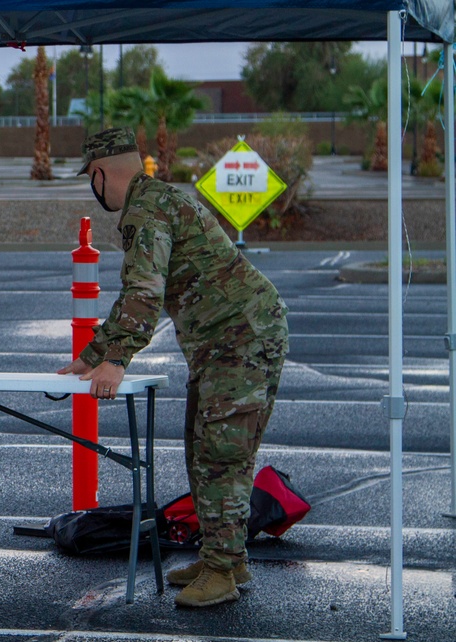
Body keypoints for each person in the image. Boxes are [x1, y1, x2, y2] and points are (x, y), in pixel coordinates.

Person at [58, 127, 289, 607]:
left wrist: (115, 361)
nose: (92, 186)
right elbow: (136, 297)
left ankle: (223, 572)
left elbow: (144, 291)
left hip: (241, 338)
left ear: (100, 174)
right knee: (203, 448)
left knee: (221, 454)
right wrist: (94, 354)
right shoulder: (155, 200)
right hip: (226, 340)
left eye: (90, 178)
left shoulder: (146, 211)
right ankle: (223, 557)